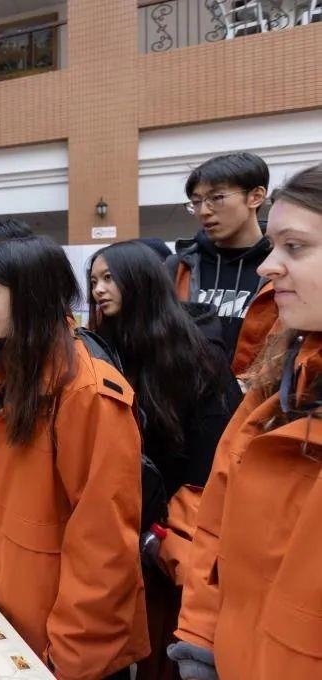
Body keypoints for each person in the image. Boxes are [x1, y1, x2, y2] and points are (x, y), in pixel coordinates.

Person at [0, 235, 150, 680]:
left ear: (30, 296)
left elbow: (104, 543)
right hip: (6, 614)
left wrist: (69, 658)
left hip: (55, 640)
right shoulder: (1, 368)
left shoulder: (87, 392)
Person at [172, 163, 322, 679]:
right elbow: (217, 524)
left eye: (295, 247)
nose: (269, 268)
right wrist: (200, 640)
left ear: (252, 196)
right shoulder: (280, 379)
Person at [88, 241, 242, 680]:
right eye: (94, 280)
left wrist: (163, 527)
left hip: (178, 525)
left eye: (109, 278)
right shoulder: (104, 350)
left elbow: (213, 452)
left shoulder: (196, 353)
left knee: (167, 646)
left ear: (141, 281)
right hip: (124, 519)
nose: (99, 290)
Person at [167, 152, 276, 374]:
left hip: (258, 392)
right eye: (196, 202)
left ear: (255, 197)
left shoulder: (281, 266)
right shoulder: (179, 267)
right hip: (190, 391)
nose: (203, 211)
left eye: (216, 198)